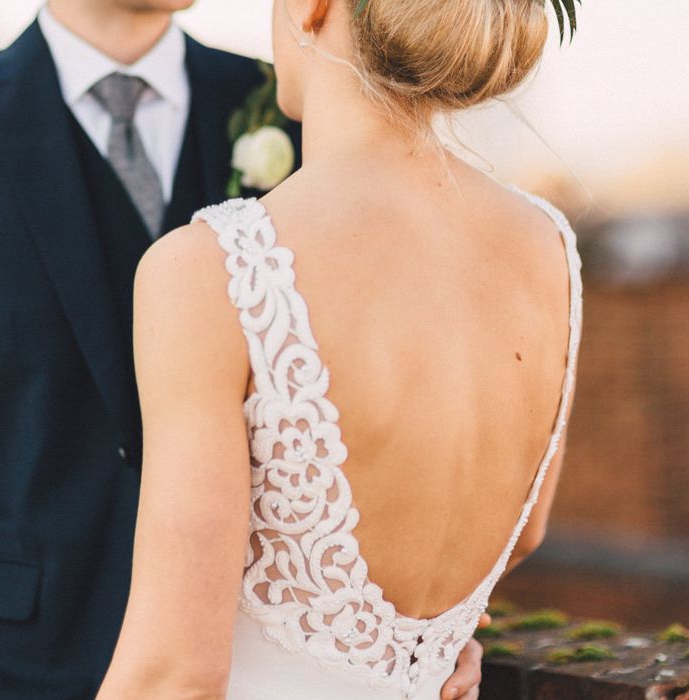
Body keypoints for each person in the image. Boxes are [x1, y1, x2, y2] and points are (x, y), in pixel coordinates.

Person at [0, 0, 484, 698]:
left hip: (255, 657)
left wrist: (415, 621)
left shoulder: (291, 99)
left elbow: (389, 380)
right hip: (17, 664)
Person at [96, 0, 583, 698]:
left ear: (311, 6)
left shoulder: (212, 268)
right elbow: (526, 534)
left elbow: (173, 675)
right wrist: (417, 649)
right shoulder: (549, 249)